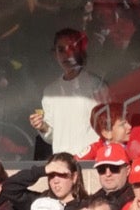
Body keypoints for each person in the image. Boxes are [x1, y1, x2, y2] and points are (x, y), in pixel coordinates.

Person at [30, 28, 110, 160]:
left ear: (81, 51)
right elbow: (52, 136)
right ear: (55, 54)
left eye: (72, 48)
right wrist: (42, 126)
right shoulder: (50, 92)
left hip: (91, 161)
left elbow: (108, 127)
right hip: (62, 163)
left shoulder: (96, 85)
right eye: (61, 50)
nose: (67, 55)